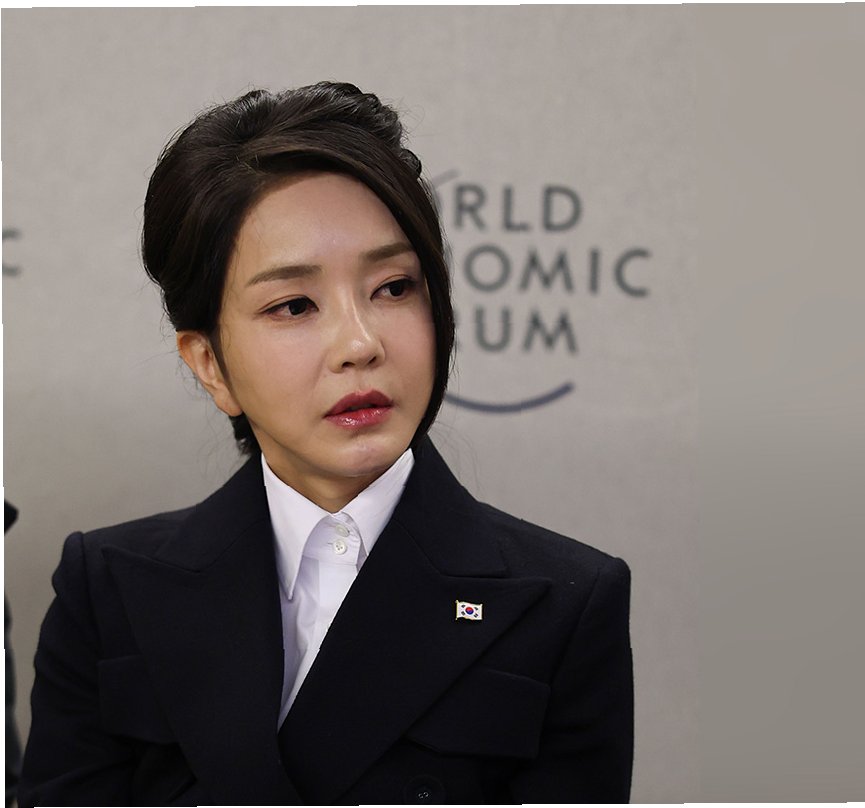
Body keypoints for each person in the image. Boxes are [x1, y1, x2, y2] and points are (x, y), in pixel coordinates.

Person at [18, 82, 633, 806]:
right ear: (210, 364)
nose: (360, 343)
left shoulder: (564, 602)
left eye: (394, 288)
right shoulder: (108, 588)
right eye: (295, 305)